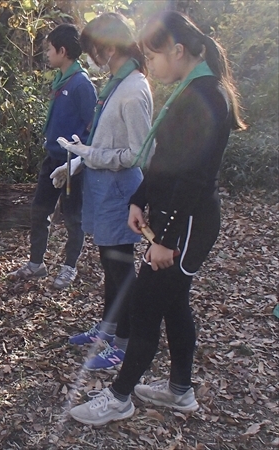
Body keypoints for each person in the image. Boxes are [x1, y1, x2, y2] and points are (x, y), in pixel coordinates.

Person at [69, 10, 245, 425]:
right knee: (174, 303)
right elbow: (164, 159)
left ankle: (119, 397)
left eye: (155, 55)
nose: (153, 65)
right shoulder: (191, 87)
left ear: (178, 51)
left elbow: (195, 176)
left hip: (185, 223)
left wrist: (163, 238)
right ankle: (180, 392)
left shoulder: (206, 95)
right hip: (171, 217)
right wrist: (138, 198)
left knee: (147, 305)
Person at [56, 13, 153, 369]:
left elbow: (141, 153)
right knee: (108, 264)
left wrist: (90, 155)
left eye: (94, 48)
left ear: (110, 46)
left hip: (119, 193)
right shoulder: (116, 82)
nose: (91, 56)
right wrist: (76, 163)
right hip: (101, 188)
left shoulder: (133, 88)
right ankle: (109, 328)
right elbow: (105, 139)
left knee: (121, 268)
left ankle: (125, 346)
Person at [9, 23, 97, 289]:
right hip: (52, 159)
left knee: (72, 217)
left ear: (63, 50)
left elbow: (93, 128)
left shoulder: (82, 84)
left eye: (49, 49)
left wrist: (80, 162)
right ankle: (36, 264)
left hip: (72, 163)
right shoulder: (60, 80)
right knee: (40, 210)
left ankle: (69, 267)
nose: (46, 54)